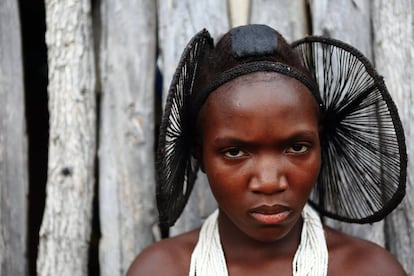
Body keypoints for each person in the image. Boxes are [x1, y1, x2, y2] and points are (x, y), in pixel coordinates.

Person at [127, 24, 407, 275]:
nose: (270, 182)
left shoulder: (369, 270)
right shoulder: (160, 270)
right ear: (199, 155)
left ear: (321, 145)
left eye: (297, 147)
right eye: (235, 152)